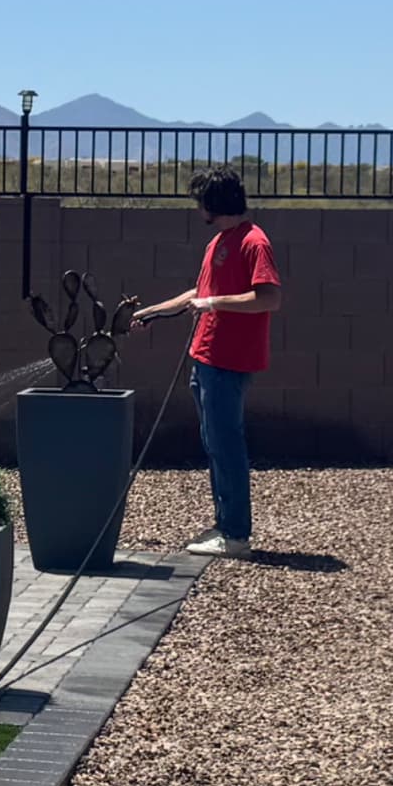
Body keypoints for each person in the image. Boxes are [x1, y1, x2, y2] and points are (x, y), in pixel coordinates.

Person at [137, 172, 279, 558]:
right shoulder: (218, 242)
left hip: (230, 360)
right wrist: (153, 311)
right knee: (214, 443)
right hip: (205, 357)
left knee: (226, 444)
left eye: (200, 200)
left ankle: (235, 535)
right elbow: (201, 293)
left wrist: (213, 305)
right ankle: (223, 524)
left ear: (213, 203)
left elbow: (268, 298)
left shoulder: (254, 242)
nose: (197, 208)